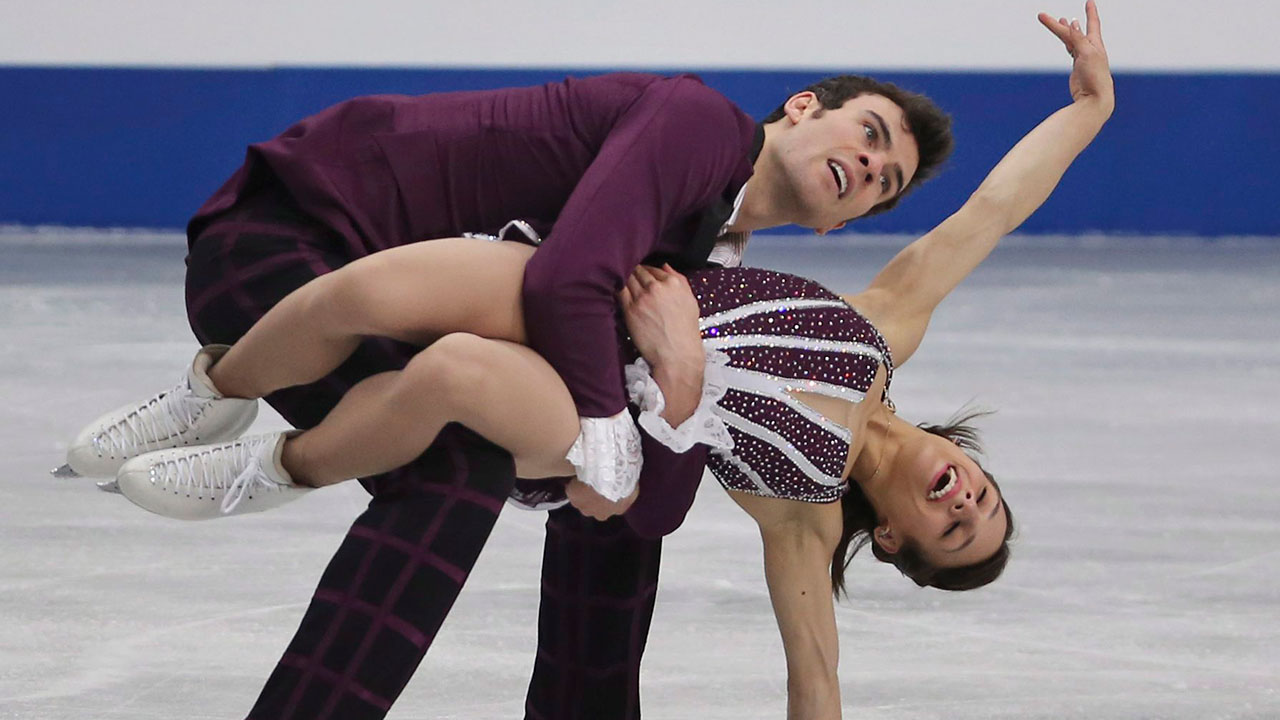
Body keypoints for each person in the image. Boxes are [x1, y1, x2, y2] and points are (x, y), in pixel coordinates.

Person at [65, 4, 1112, 717]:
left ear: (892, 538)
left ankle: (274, 470)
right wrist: (1089, 110)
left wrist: (663, 400)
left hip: (596, 395)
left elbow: (816, 682)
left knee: (460, 391)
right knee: (370, 293)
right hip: (548, 307)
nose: (965, 501)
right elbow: (989, 212)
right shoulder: (878, 330)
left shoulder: (805, 518)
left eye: (954, 531)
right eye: (986, 499)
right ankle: (213, 399)